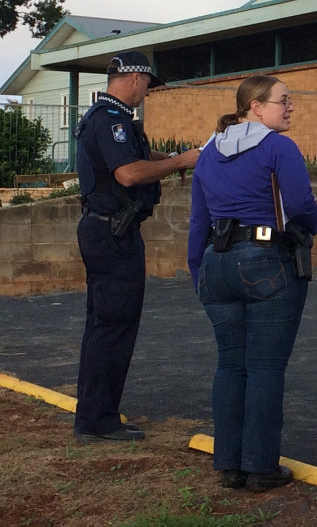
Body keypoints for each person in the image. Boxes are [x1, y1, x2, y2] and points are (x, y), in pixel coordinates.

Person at [187, 75, 317, 492]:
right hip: (265, 259)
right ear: (255, 108)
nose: (291, 107)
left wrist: (200, 272)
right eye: (284, 101)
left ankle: (230, 463)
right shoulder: (279, 147)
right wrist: (316, 220)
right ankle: (261, 466)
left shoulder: (209, 152)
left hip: (217, 262)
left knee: (230, 364)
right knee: (265, 367)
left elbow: (198, 220)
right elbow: (300, 203)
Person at [73, 51, 201, 443]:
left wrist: (175, 161)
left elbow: (136, 157)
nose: (147, 91)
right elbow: (128, 173)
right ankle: (98, 420)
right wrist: (184, 158)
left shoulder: (107, 118)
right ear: (133, 79)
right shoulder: (111, 120)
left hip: (106, 231)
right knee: (114, 325)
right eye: (147, 83)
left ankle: (95, 413)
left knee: (104, 325)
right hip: (113, 234)